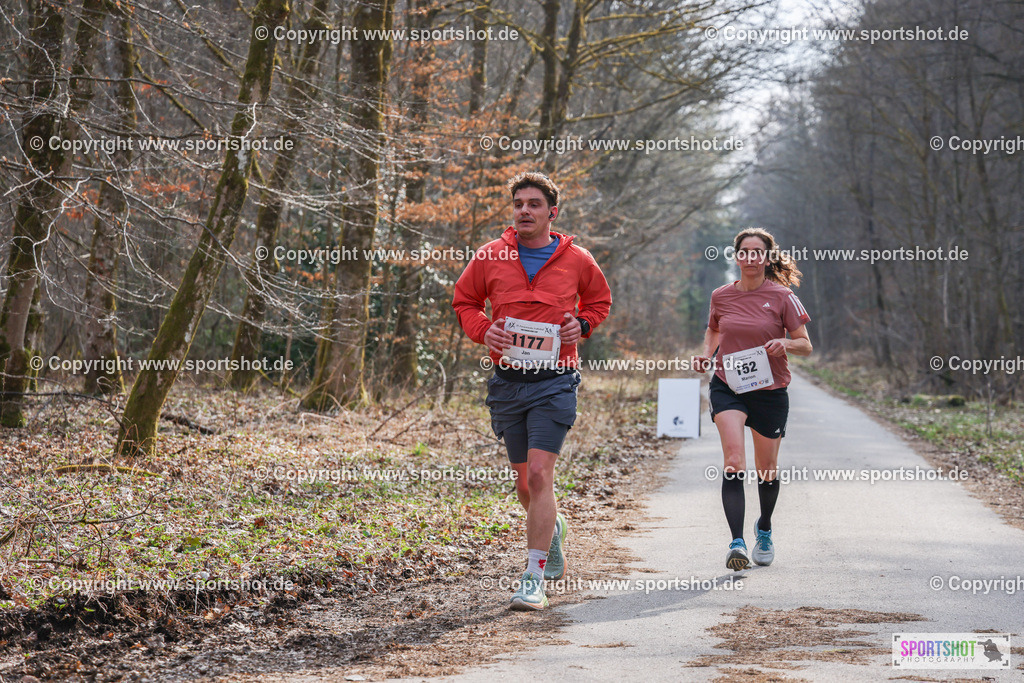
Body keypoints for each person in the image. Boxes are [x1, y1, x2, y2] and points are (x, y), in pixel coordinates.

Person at [452, 172, 612, 610]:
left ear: (551, 212)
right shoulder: (490, 255)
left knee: (541, 474)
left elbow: (600, 302)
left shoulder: (577, 259)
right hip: (508, 384)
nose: (525, 209)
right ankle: (553, 527)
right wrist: (485, 332)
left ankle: (533, 577)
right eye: (519, 203)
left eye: (534, 204)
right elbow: (464, 300)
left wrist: (582, 325)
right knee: (525, 485)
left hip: (555, 381)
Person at [695, 228, 812, 571]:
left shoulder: (782, 296)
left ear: (767, 257)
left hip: (769, 391)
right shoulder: (721, 295)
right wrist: (706, 354)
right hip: (728, 385)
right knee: (734, 461)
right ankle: (737, 543)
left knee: (767, 470)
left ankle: (763, 528)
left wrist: (785, 344)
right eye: (744, 252)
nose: (750, 258)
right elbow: (714, 328)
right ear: (736, 256)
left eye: (756, 252)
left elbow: (805, 343)